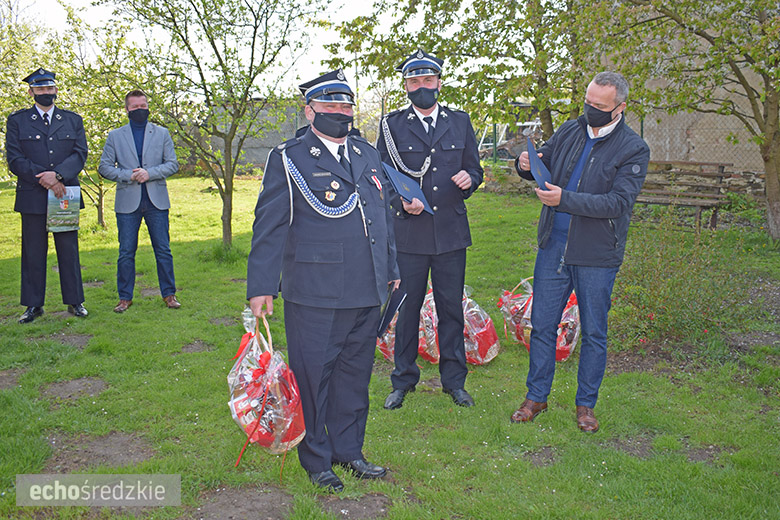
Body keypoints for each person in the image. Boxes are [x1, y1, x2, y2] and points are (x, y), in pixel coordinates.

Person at [247, 70, 400, 493]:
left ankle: (349, 451)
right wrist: (261, 285)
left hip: (366, 287)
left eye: (346, 106)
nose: (340, 113)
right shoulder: (289, 157)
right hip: (315, 292)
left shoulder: (367, 153)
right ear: (310, 109)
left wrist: (390, 269)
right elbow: (270, 225)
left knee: (354, 376)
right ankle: (316, 458)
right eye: (330, 106)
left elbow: (382, 215)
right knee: (314, 378)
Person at [511, 71, 650, 432]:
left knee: (594, 332)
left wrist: (565, 200)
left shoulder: (633, 148)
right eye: (588, 103)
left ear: (619, 108)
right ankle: (536, 397)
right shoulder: (572, 129)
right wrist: (527, 165)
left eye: (599, 107)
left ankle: (586, 405)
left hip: (596, 254)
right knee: (541, 326)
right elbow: (547, 162)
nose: (590, 110)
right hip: (554, 246)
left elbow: (617, 203)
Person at [377, 49, 483, 410]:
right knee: (406, 308)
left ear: (439, 82)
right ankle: (403, 380)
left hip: (450, 232)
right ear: (406, 86)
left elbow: (475, 170)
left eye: (427, 80)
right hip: (409, 233)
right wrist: (400, 203)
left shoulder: (460, 121)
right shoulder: (391, 127)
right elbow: (382, 178)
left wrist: (471, 179)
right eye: (414, 82)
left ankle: (454, 381)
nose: (421, 87)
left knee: (450, 307)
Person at [5, 68, 88, 323]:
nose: (46, 93)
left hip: (64, 193)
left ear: (56, 91)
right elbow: (14, 158)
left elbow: (79, 153)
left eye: (50, 89)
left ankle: (75, 302)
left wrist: (58, 176)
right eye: (40, 89)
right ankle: (33, 306)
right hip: (32, 193)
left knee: (68, 250)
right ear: (31, 92)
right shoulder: (18, 121)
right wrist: (45, 177)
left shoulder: (72, 120)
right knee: (33, 251)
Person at [98, 89, 180, 313]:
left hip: (156, 201)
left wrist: (149, 173)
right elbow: (104, 167)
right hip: (127, 201)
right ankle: (125, 297)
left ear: (147, 106)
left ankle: (169, 295)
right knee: (126, 251)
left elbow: (172, 164)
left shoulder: (162, 133)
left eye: (143, 106)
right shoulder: (115, 136)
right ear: (126, 109)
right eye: (135, 107)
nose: (140, 110)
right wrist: (129, 175)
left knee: (163, 250)